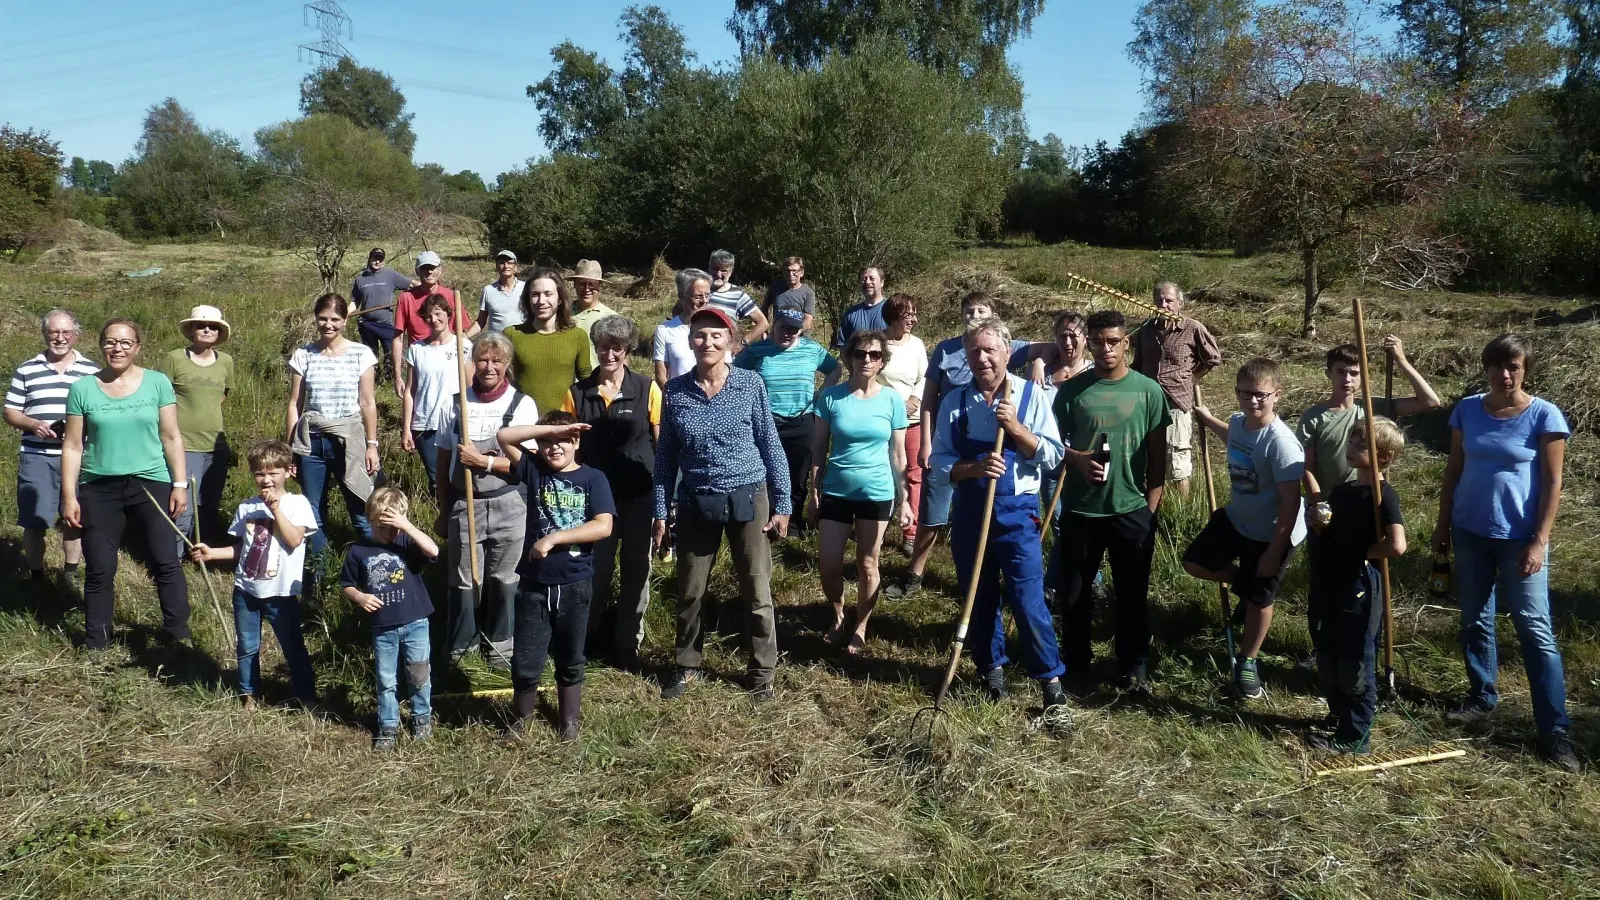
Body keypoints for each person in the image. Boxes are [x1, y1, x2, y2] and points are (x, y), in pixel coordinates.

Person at [1432, 334, 1579, 772]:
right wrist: (1442, 524)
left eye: (1514, 366)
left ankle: (1555, 730)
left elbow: (1553, 483)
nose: (1506, 374)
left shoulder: (1544, 415)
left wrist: (1540, 540)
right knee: (1474, 616)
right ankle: (1482, 694)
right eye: (1498, 366)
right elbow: (1453, 469)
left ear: (1525, 369)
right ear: (1487, 368)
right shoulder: (1467, 411)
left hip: (1520, 538)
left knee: (1535, 630)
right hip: (1470, 530)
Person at [928, 317, 1068, 710]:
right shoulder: (954, 402)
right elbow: (938, 462)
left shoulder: (1029, 395)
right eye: (975, 350)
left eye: (990, 350)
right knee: (979, 594)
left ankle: (1050, 682)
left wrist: (1018, 430)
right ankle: (991, 669)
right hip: (970, 511)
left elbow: (1054, 454)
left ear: (1008, 353)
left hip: (1017, 512)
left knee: (1027, 598)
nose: (982, 358)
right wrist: (972, 469)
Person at [653, 306, 792, 701]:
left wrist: (782, 503)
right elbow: (665, 458)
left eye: (716, 335)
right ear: (690, 341)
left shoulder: (750, 384)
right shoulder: (676, 391)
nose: (707, 342)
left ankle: (762, 672)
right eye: (700, 335)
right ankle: (686, 665)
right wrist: (660, 511)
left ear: (730, 341)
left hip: (749, 496)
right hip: (697, 499)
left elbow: (770, 445)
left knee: (756, 587)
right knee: (691, 589)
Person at [1052, 310, 1170, 693]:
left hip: (1131, 509)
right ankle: (1076, 665)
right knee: (1075, 594)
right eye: (1099, 341)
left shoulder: (1148, 392)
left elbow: (1158, 458)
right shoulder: (1072, 392)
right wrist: (1077, 461)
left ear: (1126, 343)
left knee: (1132, 594)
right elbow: (1054, 447)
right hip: (1081, 508)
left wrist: (1150, 510)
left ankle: (1133, 668)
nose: (1106, 349)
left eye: (1114, 342)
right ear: (1088, 341)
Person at [59, 318, 191, 651]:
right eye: (110, 342)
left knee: (165, 559)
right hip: (99, 487)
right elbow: (73, 446)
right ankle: (97, 641)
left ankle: (178, 634)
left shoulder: (158, 383)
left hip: (150, 483)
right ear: (101, 345)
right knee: (101, 567)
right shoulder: (83, 389)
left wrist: (179, 484)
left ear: (137, 347)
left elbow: (172, 435)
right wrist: (69, 496)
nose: (117, 348)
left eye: (125, 342)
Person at [888, 292, 1031, 598]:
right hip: (948, 442)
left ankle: (988, 579)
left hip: (991, 445)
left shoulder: (1008, 345)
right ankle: (915, 574)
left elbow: (1046, 347)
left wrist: (1041, 364)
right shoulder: (946, 350)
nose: (974, 314)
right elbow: (929, 399)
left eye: (981, 310)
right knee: (932, 510)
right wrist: (926, 442)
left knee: (989, 515)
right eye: (968, 310)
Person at [1184, 358, 1307, 700]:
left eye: (1260, 395)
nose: (1251, 401)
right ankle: (1243, 581)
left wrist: (1274, 551)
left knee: (1260, 598)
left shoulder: (1281, 443)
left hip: (1273, 531)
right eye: (1244, 393)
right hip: (1239, 518)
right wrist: (1209, 422)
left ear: (1276, 395)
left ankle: (1248, 660)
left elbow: (1290, 504)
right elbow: (1234, 436)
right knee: (1194, 562)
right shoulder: (1239, 422)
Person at [497, 411, 616, 742]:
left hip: (575, 583)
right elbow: (504, 436)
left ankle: (568, 723)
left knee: (570, 655)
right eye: (546, 442)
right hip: (534, 583)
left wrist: (553, 538)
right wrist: (553, 428)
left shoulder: (593, 479)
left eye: (562, 440)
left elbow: (603, 525)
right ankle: (520, 720)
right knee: (526, 657)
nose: (554, 447)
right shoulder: (534, 470)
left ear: (576, 441)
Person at [433, 333, 541, 666]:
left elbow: (528, 464)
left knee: (504, 577)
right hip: (465, 505)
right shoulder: (455, 404)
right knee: (465, 577)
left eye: (496, 360)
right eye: (482, 359)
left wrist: (485, 462)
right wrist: (443, 507)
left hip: (510, 502)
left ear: (507, 365)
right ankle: (461, 650)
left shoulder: (521, 404)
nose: (489, 366)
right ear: (473, 363)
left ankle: (499, 649)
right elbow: (442, 460)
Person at [562, 315, 661, 669]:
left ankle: (627, 643)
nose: (608, 354)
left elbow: (660, 443)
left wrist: (664, 502)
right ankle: (585, 638)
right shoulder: (577, 393)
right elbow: (566, 447)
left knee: (637, 567)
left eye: (616, 347)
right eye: (602, 346)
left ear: (628, 350)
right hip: (595, 501)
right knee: (594, 569)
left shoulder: (647, 388)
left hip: (639, 494)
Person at [190, 440, 319, 711]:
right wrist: (212, 553)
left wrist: (275, 510)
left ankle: (306, 697)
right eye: (260, 473)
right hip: (246, 589)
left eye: (273, 473)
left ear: (289, 472)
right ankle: (249, 694)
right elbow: (243, 548)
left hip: (280, 592)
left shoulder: (298, 503)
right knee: (247, 645)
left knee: (292, 647)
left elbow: (295, 539)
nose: (266, 479)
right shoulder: (246, 507)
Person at [1305, 418, 1407, 756]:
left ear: (1386, 457)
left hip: (1359, 586)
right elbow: (1330, 531)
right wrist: (1319, 526)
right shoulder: (1343, 491)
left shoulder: (1383, 497)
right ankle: (1339, 716)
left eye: (1361, 446)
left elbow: (1397, 545)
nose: (1351, 448)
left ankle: (1356, 736)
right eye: (1351, 441)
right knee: (1329, 649)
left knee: (1356, 658)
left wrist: (1365, 553)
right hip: (1329, 579)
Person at [809, 330, 907, 653]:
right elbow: (819, 447)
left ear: (882, 361)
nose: (866, 360)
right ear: (850, 357)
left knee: (868, 563)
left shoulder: (893, 400)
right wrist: (814, 490)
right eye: (860, 354)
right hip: (836, 490)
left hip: (876, 493)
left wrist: (904, 497)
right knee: (829, 565)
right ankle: (838, 612)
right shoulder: (831, 397)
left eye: (874, 355)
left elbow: (898, 454)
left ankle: (861, 625)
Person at [340, 486, 439, 752]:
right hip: (383, 628)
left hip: (416, 622)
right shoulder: (358, 551)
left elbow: (433, 551)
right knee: (386, 679)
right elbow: (346, 584)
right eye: (381, 527)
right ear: (369, 520)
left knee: (419, 674)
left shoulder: (407, 543)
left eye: (392, 527)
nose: (387, 534)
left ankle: (421, 720)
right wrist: (360, 598)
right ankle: (387, 726)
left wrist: (405, 525)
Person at [5, 309, 97, 584]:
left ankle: (70, 573)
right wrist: (33, 424)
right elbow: (10, 411)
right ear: (45, 334)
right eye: (53, 332)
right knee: (35, 521)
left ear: (76, 335)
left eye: (65, 332)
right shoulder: (27, 368)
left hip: (79, 457)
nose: (60, 338)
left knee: (75, 519)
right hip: (37, 456)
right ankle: (37, 577)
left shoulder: (91, 370)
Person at [1298, 337, 1440, 512]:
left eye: (1354, 373)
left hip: (1368, 503)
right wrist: (1319, 502)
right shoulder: (1313, 416)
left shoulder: (1374, 407)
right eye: (1340, 372)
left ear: (1364, 375)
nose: (1347, 379)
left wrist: (1400, 359)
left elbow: (1430, 401)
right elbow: (1306, 467)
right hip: (1328, 505)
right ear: (1329, 374)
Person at [286, 294, 380, 558]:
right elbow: (295, 404)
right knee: (312, 510)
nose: (329, 325)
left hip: (348, 440)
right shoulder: (303, 355)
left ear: (345, 320)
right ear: (315, 319)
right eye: (323, 319)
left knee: (361, 508)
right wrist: (291, 449)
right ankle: (321, 574)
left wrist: (371, 445)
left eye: (335, 319)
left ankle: (374, 568)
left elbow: (368, 402)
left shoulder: (361, 354)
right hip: (311, 442)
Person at [733, 307, 841, 534]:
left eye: (793, 330)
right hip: (767, 421)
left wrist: (820, 394)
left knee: (799, 474)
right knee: (767, 473)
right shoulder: (759, 350)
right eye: (783, 327)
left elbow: (835, 369)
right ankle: (765, 521)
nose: (787, 333)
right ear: (774, 323)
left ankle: (791, 524)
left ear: (800, 331)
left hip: (802, 420)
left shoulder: (812, 350)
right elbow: (734, 374)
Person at [1011, 310, 1092, 595]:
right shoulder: (1043, 371)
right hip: (1048, 458)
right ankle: (1067, 582)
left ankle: (1081, 581)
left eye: (1074, 336)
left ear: (1085, 339)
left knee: (1077, 523)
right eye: (1062, 336)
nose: (1068, 343)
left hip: (1080, 459)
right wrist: (1038, 360)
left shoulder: (1093, 373)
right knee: (1057, 521)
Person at [155, 305, 235, 550]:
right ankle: (174, 558)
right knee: (183, 506)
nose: (207, 329)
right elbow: (159, 398)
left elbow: (224, 395)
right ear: (191, 329)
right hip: (183, 444)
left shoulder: (226, 362)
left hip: (215, 446)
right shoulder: (174, 358)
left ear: (220, 332)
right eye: (201, 325)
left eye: (213, 326)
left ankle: (203, 551)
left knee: (209, 504)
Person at [1133, 282, 1222, 498]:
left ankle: (1180, 510)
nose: (1163, 304)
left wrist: (1191, 377)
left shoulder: (1192, 328)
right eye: (1159, 300)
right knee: (1147, 457)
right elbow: (1137, 363)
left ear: (1179, 303)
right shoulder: (1145, 329)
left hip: (1176, 403)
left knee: (1176, 460)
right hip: (1146, 405)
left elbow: (1213, 357)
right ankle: (1152, 505)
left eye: (1169, 300)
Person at [401, 295, 470, 495]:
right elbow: (410, 391)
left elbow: (471, 387)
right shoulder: (417, 350)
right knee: (437, 480)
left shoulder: (463, 346)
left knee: (458, 478)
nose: (434, 319)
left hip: (455, 423)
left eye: (438, 314)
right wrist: (406, 428)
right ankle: (442, 520)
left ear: (448, 315)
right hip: (425, 426)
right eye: (428, 316)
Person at [505, 267, 597, 417]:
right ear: (527, 299)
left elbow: (586, 383)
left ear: (560, 299)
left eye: (548, 294)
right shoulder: (512, 335)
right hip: (523, 424)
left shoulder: (577, 336)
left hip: (564, 424)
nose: (541, 301)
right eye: (535, 295)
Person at [876, 294, 927, 550]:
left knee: (913, 476)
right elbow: (869, 377)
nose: (914, 320)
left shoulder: (917, 345)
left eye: (914, 314)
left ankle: (910, 532)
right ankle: (877, 526)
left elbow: (924, 376)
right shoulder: (879, 343)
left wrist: (915, 398)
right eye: (909, 315)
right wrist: (897, 402)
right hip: (883, 420)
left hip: (913, 420)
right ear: (894, 316)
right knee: (883, 473)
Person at [391, 250, 461, 397]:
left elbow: (461, 333)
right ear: (418, 271)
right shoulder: (406, 298)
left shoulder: (451, 296)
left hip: (448, 365)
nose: (429, 271)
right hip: (419, 366)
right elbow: (398, 338)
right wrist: (397, 377)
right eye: (425, 268)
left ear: (440, 270)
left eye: (433, 267)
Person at [348, 247, 418, 379]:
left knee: (390, 354)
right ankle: (375, 380)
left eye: (380, 259)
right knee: (370, 355)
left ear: (383, 261)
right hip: (366, 324)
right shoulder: (361, 279)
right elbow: (354, 302)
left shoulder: (390, 275)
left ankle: (390, 381)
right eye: (375, 258)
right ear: (370, 259)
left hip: (386, 323)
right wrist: (344, 315)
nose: (377, 261)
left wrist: (427, 288)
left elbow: (413, 284)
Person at [654, 268, 719, 386]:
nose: (704, 301)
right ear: (681, 296)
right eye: (698, 296)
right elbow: (661, 376)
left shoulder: (718, 327)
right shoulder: (665, 330)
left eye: (707, 295)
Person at [707, 249, 769, 347]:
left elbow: (763, 323)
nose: (718, 274)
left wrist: (741, 345)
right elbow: (679, 312)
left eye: (723, 270)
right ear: (709, 267)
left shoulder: (737, 294)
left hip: (724, 352)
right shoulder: (699, 288)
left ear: (730, 272)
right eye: (715, 269)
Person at [835, 266, 888, 349]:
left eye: (872, 278)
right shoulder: (850, 314)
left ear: (882, 282)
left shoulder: (891, 310)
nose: (867, 282)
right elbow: (843, 348)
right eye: (864, 279)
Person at [474, 250, 525, 335]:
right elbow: (480, 322)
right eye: (502, 263)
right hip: (497, 344)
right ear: (497, 267)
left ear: (515, 267)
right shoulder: (488, 290)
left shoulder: (526, 288)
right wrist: (464, 336)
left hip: (522, 341)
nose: (506, 266)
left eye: (509, 263)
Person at [765, 256, 816, 334]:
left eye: (794, 271)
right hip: (777, 337)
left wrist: (792, 334)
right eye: (788, 270)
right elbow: (764, 308)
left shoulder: (808, 293)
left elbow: (808, 322)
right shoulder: (775, 288)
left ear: (801, 273)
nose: (791, 274)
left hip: (800, 338)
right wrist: (764, 331)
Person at [567, 259, 617, 337]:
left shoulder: (611, 318)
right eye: (582, 284)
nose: (587, 289)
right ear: (574, 285)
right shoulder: (562, 312)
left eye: (591, 284)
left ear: (600, 285)